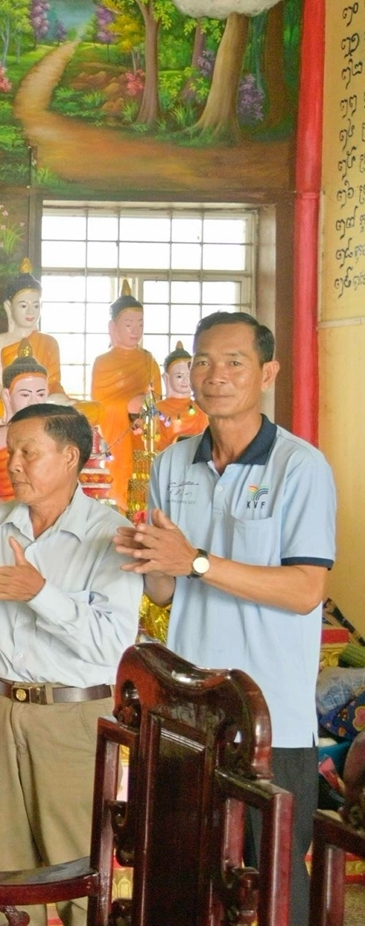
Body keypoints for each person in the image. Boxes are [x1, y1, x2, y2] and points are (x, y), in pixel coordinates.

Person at [114, 312, 335, 926]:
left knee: (270, 886)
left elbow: (304, 590)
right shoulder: (171, 463)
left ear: (267, 373)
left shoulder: (300, 467)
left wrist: (198, 562)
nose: (215, 376)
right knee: (188, 875)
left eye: (233, 362)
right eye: (204, 362)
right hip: (189, 715)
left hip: (271, 720)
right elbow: (165, 590)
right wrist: (147, 560)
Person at [0, 404, 141, 926]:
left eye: (30, 452)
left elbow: (112, 645)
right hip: (6, 709)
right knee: (10, 869)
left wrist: (40, 593)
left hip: (74, 718)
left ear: (70, 456)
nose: (16, 464)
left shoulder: (108, 533)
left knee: (77, 865)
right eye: (12, 453)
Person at [90, 282, 161, 510]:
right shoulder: (103, 362)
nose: (135, 330)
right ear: (113, 327)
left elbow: (158, 402)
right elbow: (99, 405)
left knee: (148, 482)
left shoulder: (149, 360)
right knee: (122, 484)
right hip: (117, 434)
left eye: (140, 324)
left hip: (145, 435)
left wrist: (147, 409)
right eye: (128, 324)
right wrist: (129, 405)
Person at [0, 343, 50, 508]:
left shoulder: (55, 439)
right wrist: (13, 515)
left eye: (40, 394)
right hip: (4, 516)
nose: (34, 402)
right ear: (7, 396)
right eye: (25, 394)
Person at [0, 259, 64, 398]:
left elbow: (53, 382)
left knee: (88, 409)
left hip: (43, 401)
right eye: (24, 306)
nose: (31, 312)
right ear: (8, 307)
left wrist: (57, 398)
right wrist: (10, 398)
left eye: (36, 306)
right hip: (8, 401)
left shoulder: (49, 342)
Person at [153, 340, 208, 448]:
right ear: (166, 378)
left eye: (188, 375)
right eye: (179, 376)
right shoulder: (158, 409)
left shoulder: (201, 408)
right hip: (168, 459)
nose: (185, 380)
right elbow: (154, 443)